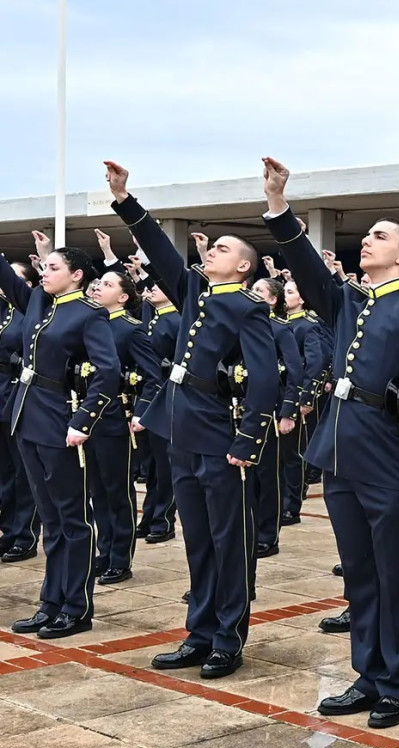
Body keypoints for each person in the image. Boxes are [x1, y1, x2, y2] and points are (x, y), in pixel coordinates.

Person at [262, 156, 399, 728]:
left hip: (385, 451)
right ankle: (367, 674)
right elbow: (305, 262)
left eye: (379, 236)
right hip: (340, 449)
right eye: (366, 235)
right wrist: (279, 205)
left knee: (396, 571)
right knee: (359, 571)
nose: (366, 242)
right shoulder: (349, 300)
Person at [108, 165, 281, 679]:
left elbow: (267, 379)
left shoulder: (248, 309)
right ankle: (198, 631)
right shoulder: (196, 295)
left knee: (231, 542)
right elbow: (161, 250)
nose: (211, 253)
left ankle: (228, 638)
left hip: (220, 437)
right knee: (199, 539)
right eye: (212, 248)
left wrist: (249, 438)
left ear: (244, 267)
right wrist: (125, 200)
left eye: (223, 250)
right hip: (182, 433)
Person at [0, 236, 121, 640]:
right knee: (49, 519)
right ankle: (50, 603)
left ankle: (76, 607)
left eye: (53, 268)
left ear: (77, 275)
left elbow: (108, 373)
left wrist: (83, 421)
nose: (44, 272)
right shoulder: (37, 301)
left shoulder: (90, 314)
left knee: (73, 520)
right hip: (26, 419)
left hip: (58, 423)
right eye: (44, 267)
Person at [82, 258, 145, 586]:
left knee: (117, 489)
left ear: (123, 297)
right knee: (96, 491)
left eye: (107, 285)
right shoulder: (89, 323)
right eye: (98, 284)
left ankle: (120, 557)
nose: (98, 288)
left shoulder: (131, 329)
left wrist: (141, 411)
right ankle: (103, 550)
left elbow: (151, 374)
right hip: (87, 418)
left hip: (116, 417)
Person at [249, 275, 304, 560]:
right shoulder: (241, 325)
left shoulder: (281, 329)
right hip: (242, 410)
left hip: (270, 413)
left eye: (260, 290)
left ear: (273, 300)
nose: (253, 292)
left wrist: (288, 412)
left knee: (267, 475)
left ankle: (268, 536)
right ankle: (249, 530)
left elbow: (295, 373)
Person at [129, 266, 179, 545]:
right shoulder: (152, 318)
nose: (150, 291)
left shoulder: (176, 320)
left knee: (164, 465)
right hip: (146, 397)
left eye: (156, 287)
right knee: (149, 466)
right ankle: (149, 516)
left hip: (164, 398)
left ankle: (163, 519)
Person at [0, 261, 41, 563]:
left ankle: (25, 534)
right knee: (4, 471)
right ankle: (8, 529)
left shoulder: (27, 309)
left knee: (22, 471)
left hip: (15, 392)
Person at [280, 276, 328, 527]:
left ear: (301, 299)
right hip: (277, 395)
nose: (285, 296)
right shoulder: (276, 323)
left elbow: (315, 362)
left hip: (295, 394)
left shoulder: (308, 326)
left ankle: (292, 504)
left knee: (292, 454)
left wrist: (306, 396)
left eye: (289, 292)